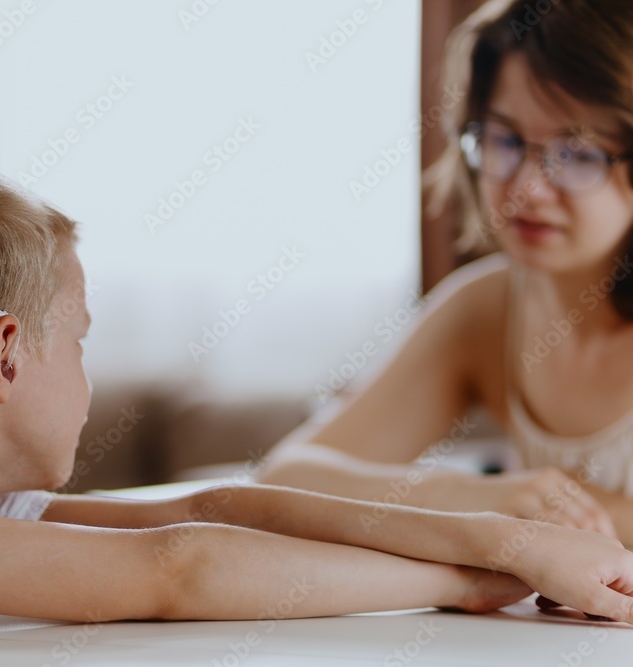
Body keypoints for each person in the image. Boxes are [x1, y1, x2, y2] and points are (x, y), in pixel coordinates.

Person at [0, 154, 633, 667]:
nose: (86, 367)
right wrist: (469, 579)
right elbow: (176, 568)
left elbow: (210, 507)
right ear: (4, 355)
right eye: (80, 337)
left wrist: (497, 547)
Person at [257, 0, 633, 545]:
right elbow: (285, 480)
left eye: (577, 154)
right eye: (506, 141)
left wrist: (572, 512)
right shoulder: (488, 308)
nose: (527, 188)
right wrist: (466, 496)